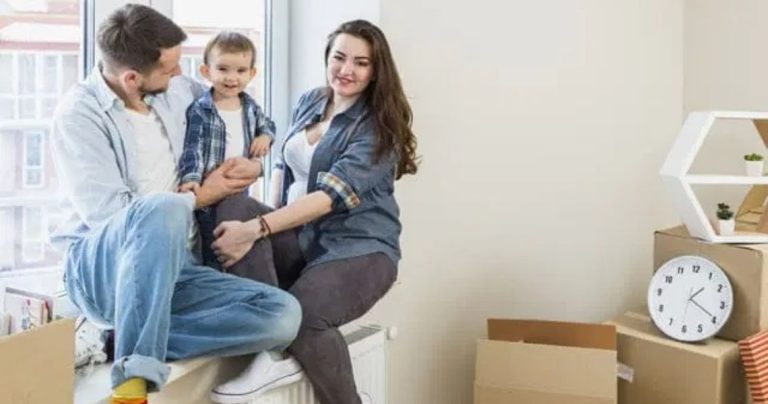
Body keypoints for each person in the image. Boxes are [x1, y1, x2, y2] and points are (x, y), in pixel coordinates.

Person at [50, 5, 301, 404]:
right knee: (163, 208)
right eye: (169, 69)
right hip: (103, 270)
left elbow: (231, 103)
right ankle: (133, 383)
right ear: (132, 78)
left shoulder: (177, 90)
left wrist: (254, 159)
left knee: (283, 315)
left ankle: (116, 337)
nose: (180, 74)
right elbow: (113, 217)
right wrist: (203, 195)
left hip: (177, 267)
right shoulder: (79, 116)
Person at [207, 19, 419, 404]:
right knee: (233, 205)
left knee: (304, 316)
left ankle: (283, 353)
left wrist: (259, 229)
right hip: (304, 239)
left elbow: (326, 198)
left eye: (361, 62)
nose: (347, 70)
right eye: (339, 57)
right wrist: (263, 224)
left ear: (375, 71)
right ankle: (271, 345)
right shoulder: (310, 101)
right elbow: (282, 169)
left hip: (360, 249)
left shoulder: (378, 127)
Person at [178, 31, 275, 278]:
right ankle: (214, 280)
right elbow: (193, 148)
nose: (232, 78)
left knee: (235, 239)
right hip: (209, 193)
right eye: (223, 69)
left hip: (238, 191)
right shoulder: (201, 110)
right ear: (206, 72)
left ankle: (235, 282)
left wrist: (265, 137)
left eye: (241, 71)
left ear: (252, 74)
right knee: (211, 242)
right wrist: (191, 178)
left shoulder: (251, 106)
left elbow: (267, 125)